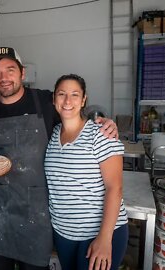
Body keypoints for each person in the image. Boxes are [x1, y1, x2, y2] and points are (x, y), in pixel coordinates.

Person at [0, 47, 119, 270]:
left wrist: (104, 121)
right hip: (0, 214)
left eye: (10, 70)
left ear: (22, 73)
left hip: (38, 215)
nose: (4, 78)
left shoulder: (45, 101)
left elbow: (74, 113)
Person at [44, 74, 128, 270]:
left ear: (83, 100)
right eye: (61, 94)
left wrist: (105, 238)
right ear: (54, 99)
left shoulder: (101, 134)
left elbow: (115, 188)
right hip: (64, 233)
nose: (67, 101)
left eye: (75, 94)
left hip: (99, 233)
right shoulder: (53, 133)